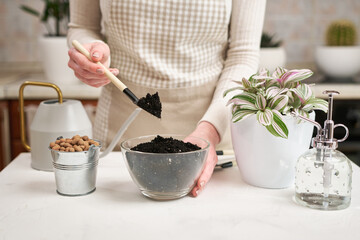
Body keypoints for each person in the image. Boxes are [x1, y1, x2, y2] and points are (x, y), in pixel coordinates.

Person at [67, 0, 266, 197]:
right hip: (120, 141)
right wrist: (93, 52)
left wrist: (211, 131)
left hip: (212, 137)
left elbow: (243, 55)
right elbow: (82, 27)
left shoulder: (212, 134)